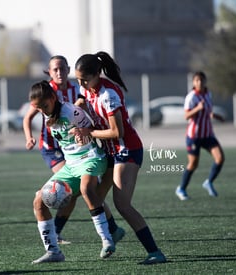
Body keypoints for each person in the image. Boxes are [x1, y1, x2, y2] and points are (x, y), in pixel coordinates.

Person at [72, 51, 166, 265]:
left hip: (127, 150)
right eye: (78, 80)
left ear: (97, 74)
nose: (81, 84)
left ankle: (155, 252)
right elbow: (82, 98)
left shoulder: (109, 95)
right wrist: (75, 109)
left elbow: (118, 132)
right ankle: (113, 231)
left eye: (84, 80)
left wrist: (90, 133)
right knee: (92, 194)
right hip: (110, 151)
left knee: (122, 204)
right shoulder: (87, 87)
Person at [23, 55, 124, 244]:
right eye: (55, 69)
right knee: (49, 196)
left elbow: (91, 128)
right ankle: (54, 247)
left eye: (62, 69)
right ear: (49, 72)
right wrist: (29, 137)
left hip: (86, 155)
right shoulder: (43, 93)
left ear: (68, 70)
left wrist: (87, 133)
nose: (59, 73)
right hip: (55, 150)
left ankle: (106, 235)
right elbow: (29, 117)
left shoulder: (74, 93)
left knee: (77, 192)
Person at [29, 80, 115, 264]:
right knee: (38, 200)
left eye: (44, 106)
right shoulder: (47, 115)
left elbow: (94, 129)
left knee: (86, 189)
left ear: (53, 98)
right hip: (71, 165)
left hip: (92, 157)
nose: (42, 111)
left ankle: (107, 240)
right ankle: (53, 252)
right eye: (39, 109)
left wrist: (84, 132)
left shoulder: (71, 112)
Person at [175, 71, 225, 200]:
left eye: (201, 80)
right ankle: (181, 189)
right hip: (194, 136)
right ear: (193, 82)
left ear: (205, 81)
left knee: (220, 158)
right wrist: (197, 108)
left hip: (208, 134)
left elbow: (209, 112)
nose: (199, 83)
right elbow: (186, 116)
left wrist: (215, 116)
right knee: (193, 164)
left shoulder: (208, 94)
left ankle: (208, 182)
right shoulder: (191, 97)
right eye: (197, 80)